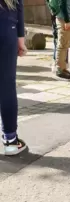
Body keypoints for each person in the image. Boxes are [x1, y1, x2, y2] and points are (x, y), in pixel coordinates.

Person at [0, 0, 28, 155]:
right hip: (6, 29)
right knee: (6, 87)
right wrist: (20, 41)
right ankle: (11, 141)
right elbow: (19, 7)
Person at [48, 0, 70, 80]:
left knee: (65, 45)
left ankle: (63, 68)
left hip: (68, 19)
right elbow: (62, 3)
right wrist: (67, 20)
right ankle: (59, 70)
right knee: (63, 45)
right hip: (65, 19)